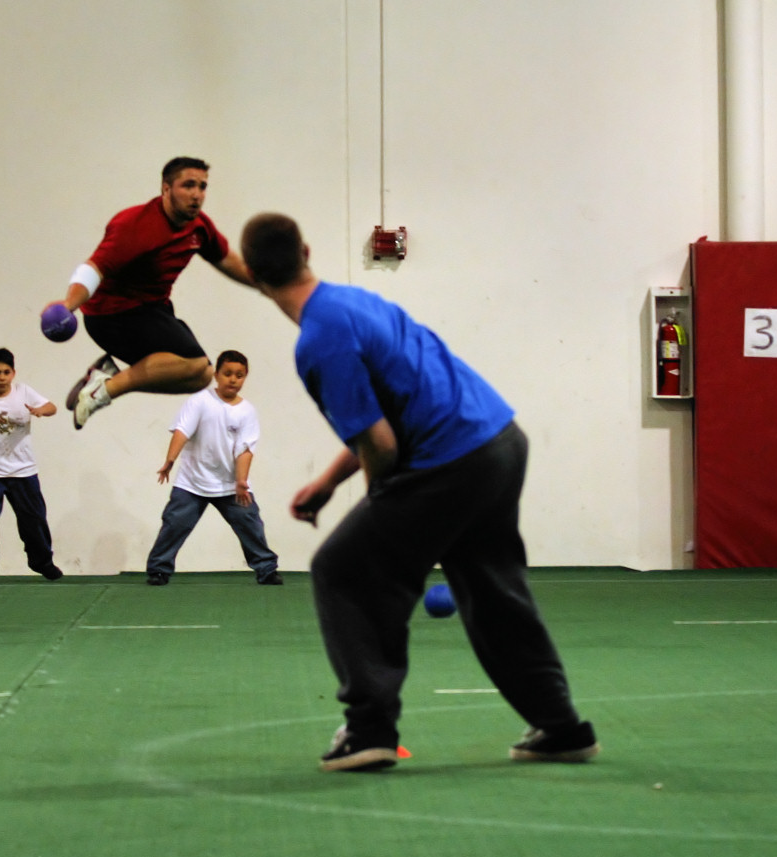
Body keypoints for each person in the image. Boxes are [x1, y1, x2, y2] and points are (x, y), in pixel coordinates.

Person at [239, 212, 598, 773]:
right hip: (499, 441)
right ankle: (561, 726)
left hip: (451, 461)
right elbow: (390, 416)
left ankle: (369, 731)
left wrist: (380, 508)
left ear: (256, 278)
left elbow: (379, 444)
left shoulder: (318, 340)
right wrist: (330, 482)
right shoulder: (355, 302)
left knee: (345, 569)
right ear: (307, 250)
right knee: (493, 591)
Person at [44, 156, 254, 430]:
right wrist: (69, 303)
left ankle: (104, 378)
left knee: (201, 376)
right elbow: (94, 268)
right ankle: (104, 389)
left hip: (152, 310)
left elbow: (228, 261)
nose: (196, 195)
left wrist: (272, 285)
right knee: (193, 364)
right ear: (166, 189)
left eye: (202, 187)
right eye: (188, 185)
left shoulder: (199, 226)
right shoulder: (134, 225)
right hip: (111, 315)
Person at [145, 349, 282, 587]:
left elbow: (245, 450)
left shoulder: (247, 411)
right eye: (227, 373)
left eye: (239, 375)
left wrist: (241, 481)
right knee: (175, 524)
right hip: (192, 482)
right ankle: (159, 569)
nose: (233, 379)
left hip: (230, 485)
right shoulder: (199, 401)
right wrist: (170, 460)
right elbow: (182, 431)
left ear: (245, 377)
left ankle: (266, 569)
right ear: (217, 375)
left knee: (250, 524)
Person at [0, 348, 65, 584]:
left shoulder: (23, 392)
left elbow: (52, 407)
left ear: (13, 373)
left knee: (34, 519)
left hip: (23, 469)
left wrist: (40, 411)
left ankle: (42, 562)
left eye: (7, 372)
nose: (2, 377)